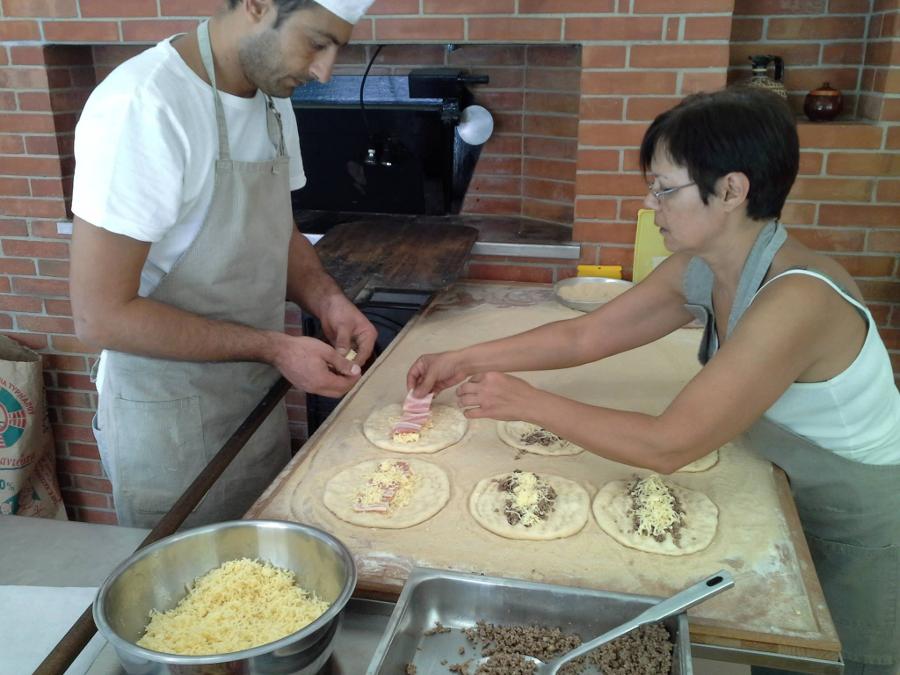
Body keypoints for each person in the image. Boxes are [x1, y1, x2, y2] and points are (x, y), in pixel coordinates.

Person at [407, 88, 900, 674]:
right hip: (785, 481)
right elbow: (583, 337)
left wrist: (530, 403)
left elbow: (670, 444)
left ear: (732, 190)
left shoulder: (797, 296)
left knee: (835, 661)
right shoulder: (705, 268)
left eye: (665, 189)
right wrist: (462, 357)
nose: (652, 204)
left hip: (850, 517)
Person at [68, 0, 379, 529]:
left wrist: (326, 298)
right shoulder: (143, 105)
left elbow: (273, 229)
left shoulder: (272, 101)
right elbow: (100, 316)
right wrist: (273, 346)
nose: (323, 71)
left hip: (253, 404)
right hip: (169, 426)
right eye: (317, 42)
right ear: (257, 6)